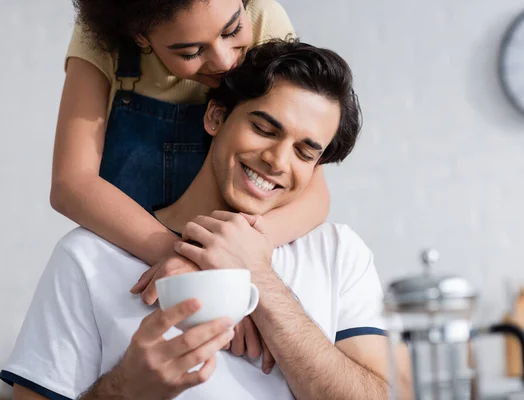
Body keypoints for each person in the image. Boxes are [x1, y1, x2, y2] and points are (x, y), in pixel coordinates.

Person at [2, 39, 412, 399]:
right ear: (215, 117)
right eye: (264, 128)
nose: (276, 161)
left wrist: (257, 276)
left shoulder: (339, 254)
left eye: (305, 153)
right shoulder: (86, 259)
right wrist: (126, 391)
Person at [52, 0, 330, 363]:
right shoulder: (102, 39)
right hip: (132, 262)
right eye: (191, 51)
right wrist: (188, 259)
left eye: (232, 31)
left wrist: (235, 259)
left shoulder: (263, 18)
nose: (224, 60)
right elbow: (71, 183)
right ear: (140, 37)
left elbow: (316, 195)